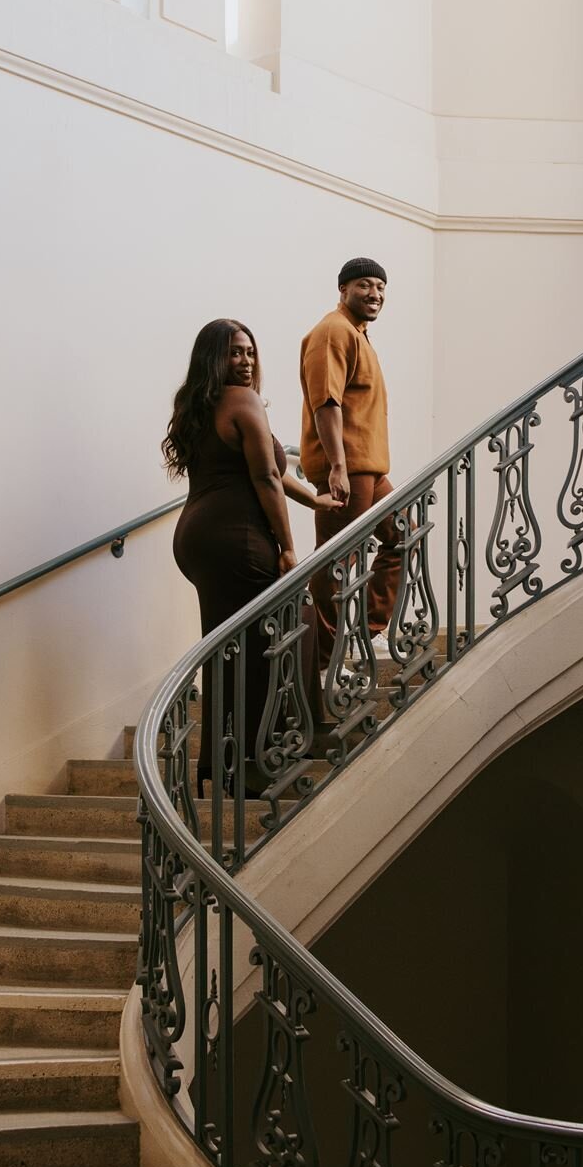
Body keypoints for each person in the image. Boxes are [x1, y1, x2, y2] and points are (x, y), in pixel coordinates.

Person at [164, 318, 339, 791]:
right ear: (213, 359)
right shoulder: (244, 401)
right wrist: (287, 548)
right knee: (295, 620)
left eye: (250, 353)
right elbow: (263, 478)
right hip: (237, 536)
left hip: (198, 539)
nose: (245, 362)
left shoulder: (195, 405)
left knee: (230, 647)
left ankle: (225, 763)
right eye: (234, 353)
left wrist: (312, 498)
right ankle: (299, 737)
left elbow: (270, 473)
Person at [299, 258, 402, 645]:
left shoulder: (357, 333)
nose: (375, 294)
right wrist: (337, 468)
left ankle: (367, 631)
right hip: (348, 467)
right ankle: (324, 656)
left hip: (370, 468)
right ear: (343, 290)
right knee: (337, 560)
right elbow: (326, 402)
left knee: (404, 533)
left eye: (380, 287)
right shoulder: (332, 330)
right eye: (364, 285)